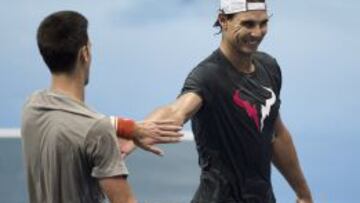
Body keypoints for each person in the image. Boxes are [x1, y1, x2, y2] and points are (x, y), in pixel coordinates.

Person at [122, 0, 313, 202]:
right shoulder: (208, 76)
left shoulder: (269, 67)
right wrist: (134, 131)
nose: (258, 32)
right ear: (223, 20)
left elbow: (276, 134)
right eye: (248, 24)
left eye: (263, 23)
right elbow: (176, 111)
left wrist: (303, 193)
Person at [21, 10, 183, 203]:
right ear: (85, 53)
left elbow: (78, 122)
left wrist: (128, 129)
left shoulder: (32, 107)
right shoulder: (97, 131)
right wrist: (115, 130)